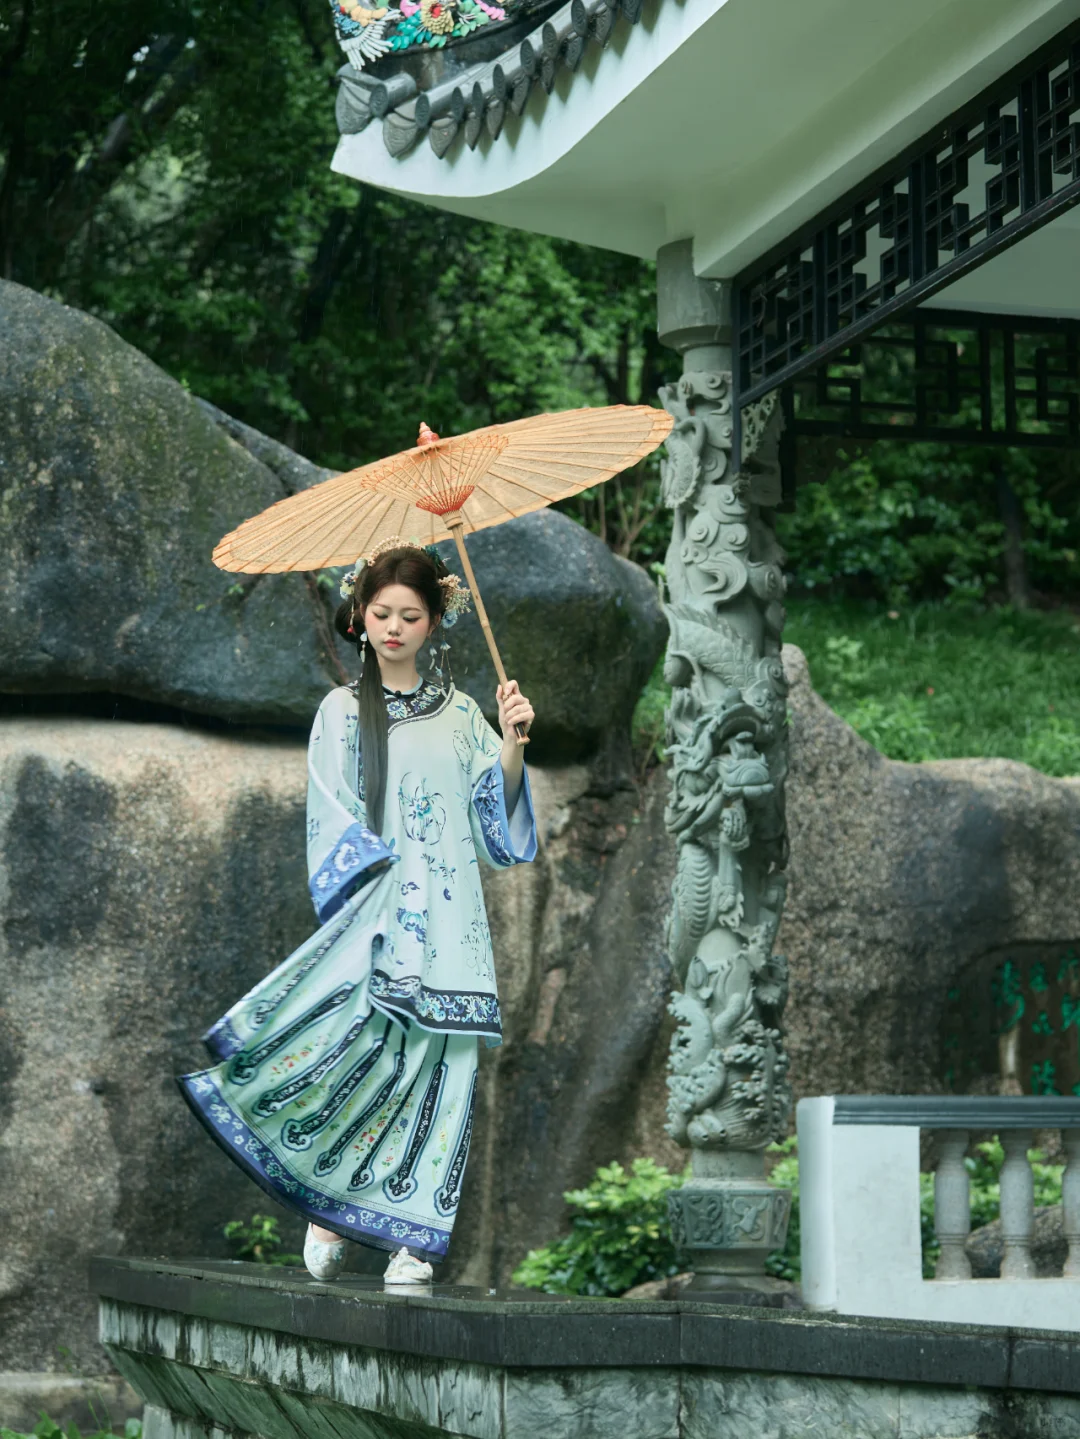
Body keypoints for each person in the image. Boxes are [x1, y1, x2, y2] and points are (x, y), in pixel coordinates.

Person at [178, 540, 536, 1283]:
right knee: (366, 1059)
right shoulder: (341, 712)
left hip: (456, 927)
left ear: (436, 620)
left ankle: (416, 1240)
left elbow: (493, 831)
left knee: (448, 1067)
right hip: (382, 920)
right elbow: (330, 817)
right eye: (382, 613)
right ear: (360, 616)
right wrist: (377, 889)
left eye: (411, 614)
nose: (395, 626)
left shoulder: (465, 712)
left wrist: (510, 746)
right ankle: (331, 1206)